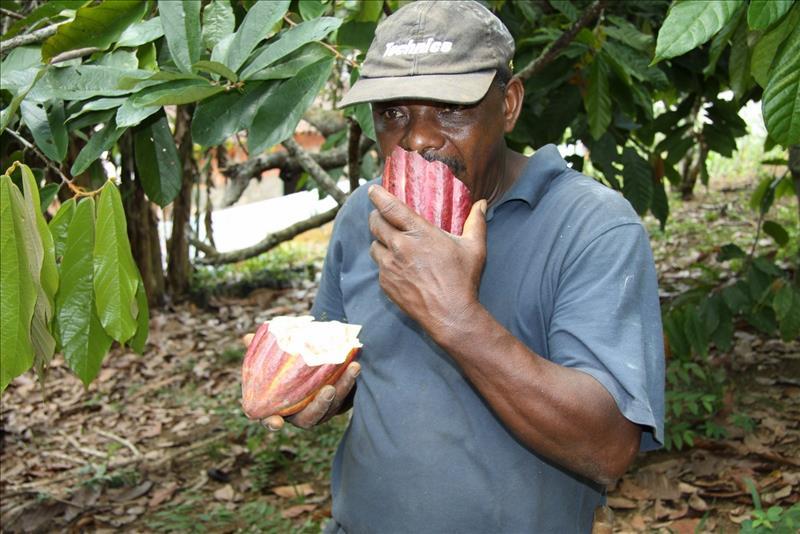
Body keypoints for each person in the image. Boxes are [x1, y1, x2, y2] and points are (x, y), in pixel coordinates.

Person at [257, 1, 665, 531]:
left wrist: (456, 317)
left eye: (450, 108)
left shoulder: (592, 226)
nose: (417, 139)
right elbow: (356, 371)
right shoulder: (365, 215)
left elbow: (607, 447)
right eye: (393, 113)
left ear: (510, 104)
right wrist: (310, 391)